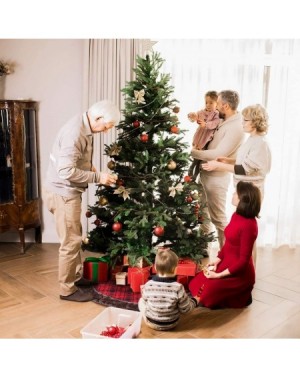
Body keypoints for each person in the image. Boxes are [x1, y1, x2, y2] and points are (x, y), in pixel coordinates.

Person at [44, 100, 121, 302]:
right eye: (106, 126)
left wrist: (94, 170)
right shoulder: (75, 133)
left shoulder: (85, 125)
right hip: (63, 194)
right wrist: (98, 178)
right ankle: (67, 290)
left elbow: (77, 159)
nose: (105, 131)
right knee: (70, 242)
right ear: (97, 118)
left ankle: (76, 278)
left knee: (74, 237)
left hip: (65, 193)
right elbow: (66, 171)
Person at [188, 181, 261, 309]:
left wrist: (219, 275)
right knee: (196, 282)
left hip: (239, 273)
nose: (233, 195)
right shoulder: (236, 215)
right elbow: (229, 243)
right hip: (226, 262)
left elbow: (243, 262)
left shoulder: (250, 226)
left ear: (243, 199)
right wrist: (217, 259)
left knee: (208, 291)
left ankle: (242, 294)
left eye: (236, 194)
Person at [191, 90, 245, 250]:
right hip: (206, 173)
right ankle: (203, 249)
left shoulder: (236, 127)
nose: (214, 108)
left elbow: (218, 154)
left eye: (218, 104)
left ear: (226, 106)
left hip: (217, 178)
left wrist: (194, 152)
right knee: (203, 214)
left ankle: (227, 254)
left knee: (219, 219)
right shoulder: (223, 120)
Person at [201, 104, 271, 199]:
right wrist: (229, 160)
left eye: (245, 120)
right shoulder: (252, 139)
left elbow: (245, 169)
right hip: (244, 190)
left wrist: (217, 165)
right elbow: (248, 162)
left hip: (251, 193)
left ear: (256, 122)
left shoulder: (260, 143)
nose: (242, 123)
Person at [138, 248, 200, 331]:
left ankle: (147, 316)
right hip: (171, 323)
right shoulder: (178, 287)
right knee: (180, 302)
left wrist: (147, 292)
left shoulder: (148, 284)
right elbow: (186, 309)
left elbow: (145, 301)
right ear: (175, 269)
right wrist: (195, 301)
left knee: (141, 301)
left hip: (151, 322)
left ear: (155, 267)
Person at [187, 91, 221, 180]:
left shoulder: (216, 114)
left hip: (206, 139)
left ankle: (195, 172)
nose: (208, 105)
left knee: (201, 157)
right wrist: (192, 115)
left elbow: (215, 123)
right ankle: (192, 167)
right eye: (206, 102)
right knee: (196, 153)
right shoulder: (202, 112)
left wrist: (205, 124)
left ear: (217, 104)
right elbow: (196, 116)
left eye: (211, 103)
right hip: (199, 136)